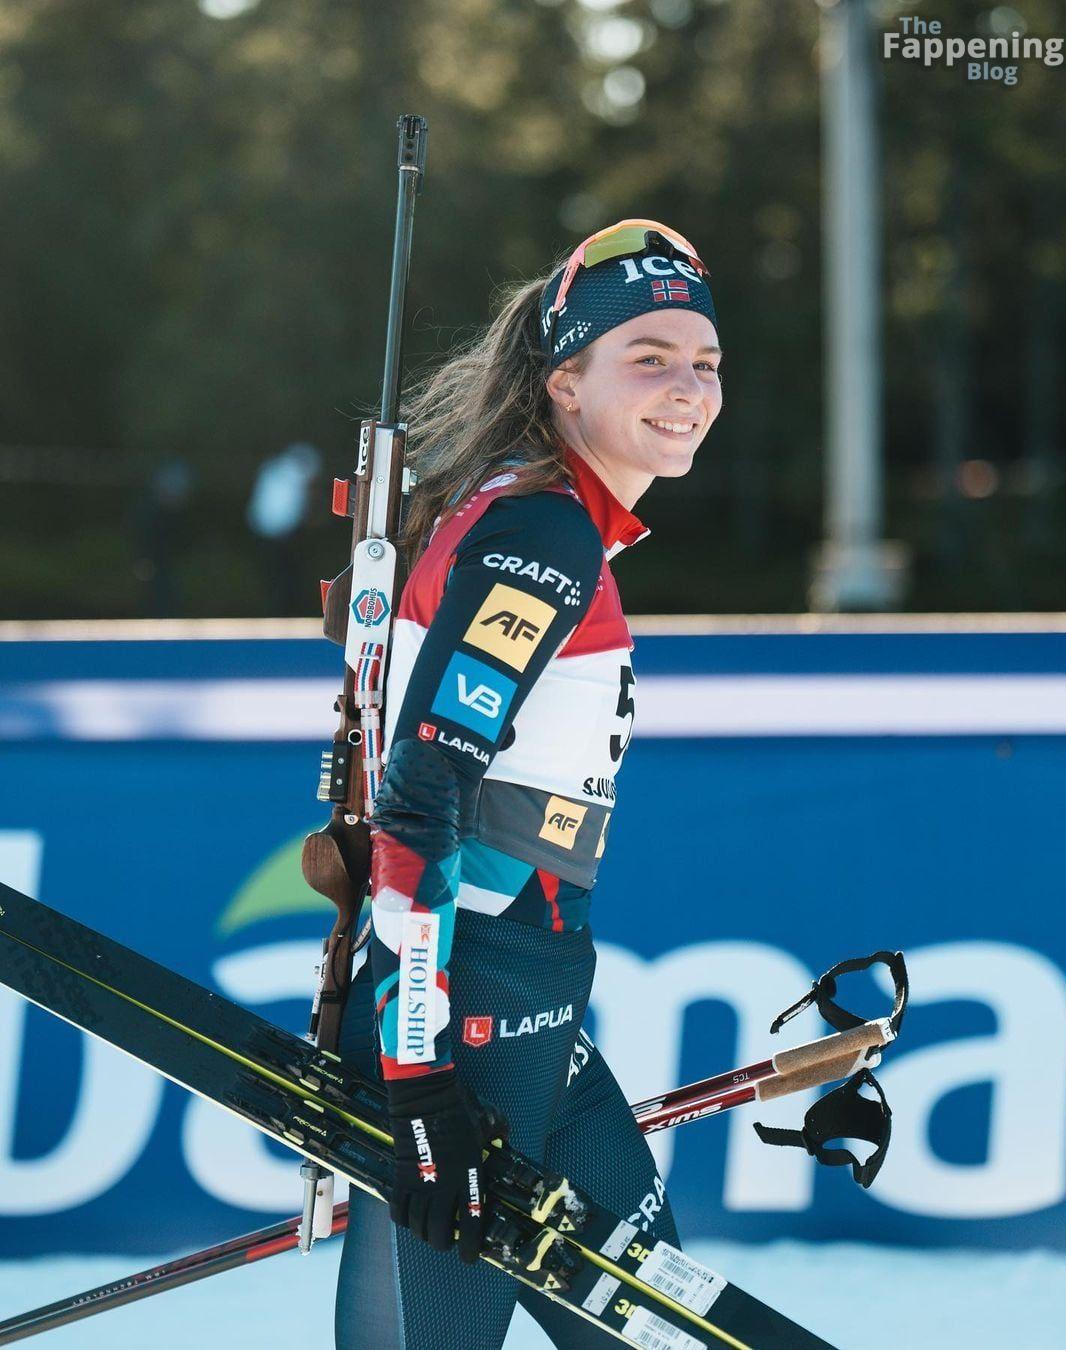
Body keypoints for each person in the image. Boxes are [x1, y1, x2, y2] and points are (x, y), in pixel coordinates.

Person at [335, 220, 723, 1349]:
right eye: (648, 358)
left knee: (654, 1323)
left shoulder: (535, 515)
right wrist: (421, 1082)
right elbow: (419, 796)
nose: (688, 388)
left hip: (521, 992)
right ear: (566, 380)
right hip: (474, 1002)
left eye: (704, 361)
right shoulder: (542, 534)